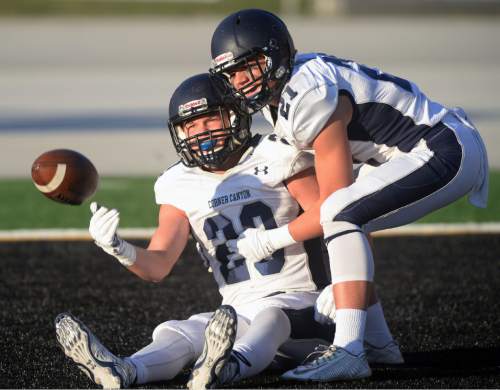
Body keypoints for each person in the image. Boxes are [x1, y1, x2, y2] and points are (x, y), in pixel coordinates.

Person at [209, 8, 489, 382]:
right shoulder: (287, 94)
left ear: (275, 57)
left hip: (442, 147)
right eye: (232, 73)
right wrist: (343, 277)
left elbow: (334, 203)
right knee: (346, 218)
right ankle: (377, 344)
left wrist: (272, 241)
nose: (242, 81)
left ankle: (349, 349)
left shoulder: (307, 92)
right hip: (414, 151)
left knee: (340, 213)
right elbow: (350, 214)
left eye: (251, 65)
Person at [55, 73, 343, 389]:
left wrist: (341, 283)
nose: (199, 133)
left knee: (272, 318)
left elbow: (331, 213)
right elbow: (158, 264)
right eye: (189, 126)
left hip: (307, 307)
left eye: (208, 121)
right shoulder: (177, 182)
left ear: (234, 116)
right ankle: (125, 370)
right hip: (237, 313)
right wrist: (119, 248)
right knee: (181, 331)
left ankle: (227, 367)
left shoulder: (278, 155)